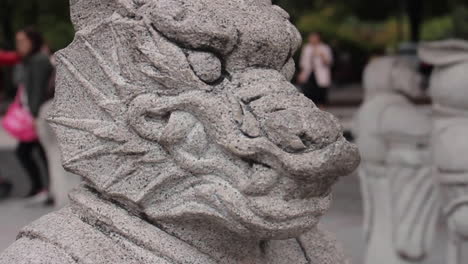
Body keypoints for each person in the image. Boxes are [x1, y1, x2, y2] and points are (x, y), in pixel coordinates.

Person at [13, 27, 53, 204]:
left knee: (37, 152)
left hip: (39, 116)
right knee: (33, 152)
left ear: (33, 41)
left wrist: (36, 116)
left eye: (23, 41)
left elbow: (37, 90)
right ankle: (43, 188)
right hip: (34, 115)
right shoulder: (30, 60)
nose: (19, 45)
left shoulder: (39, 60)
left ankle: (46, 189)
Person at [298, 32, 333, 107]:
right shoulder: (307, 48)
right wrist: (301, 73)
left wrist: (321, 55)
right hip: (309, 72)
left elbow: (329, 61)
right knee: (308, 90)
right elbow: (303, 61)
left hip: (320, 72)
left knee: (321, 91)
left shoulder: (324, 48)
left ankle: (321, 106)